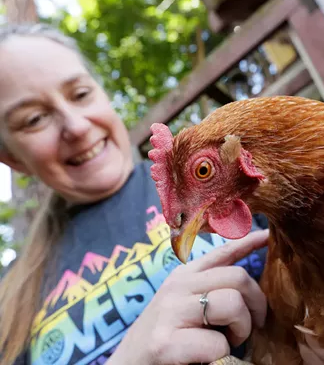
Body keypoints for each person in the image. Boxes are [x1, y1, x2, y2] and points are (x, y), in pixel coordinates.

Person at [0, 23, 269, 365]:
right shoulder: (9, 299)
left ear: (102, 93)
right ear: (12, 159)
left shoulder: (219, 175)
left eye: (81, 94)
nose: (77, 127)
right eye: (35, 119)